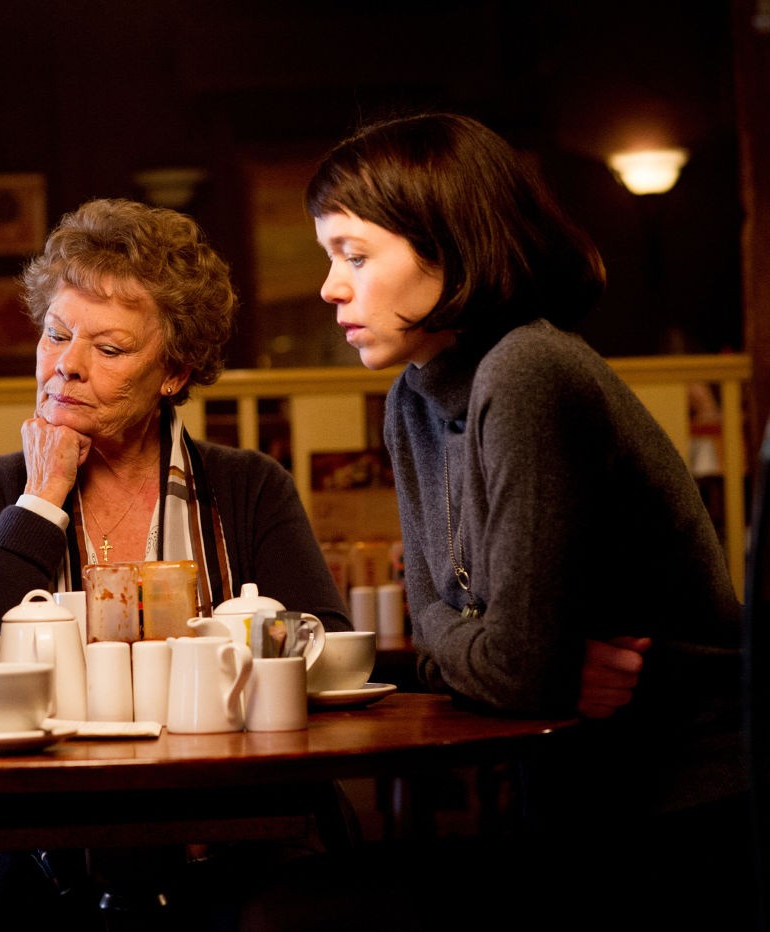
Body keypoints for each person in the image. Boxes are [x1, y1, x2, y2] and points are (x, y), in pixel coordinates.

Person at [304, 112, 752, 925]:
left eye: (356, 255)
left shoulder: (529, 370)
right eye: (331, 257)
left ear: (448, 246)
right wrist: (511, 654)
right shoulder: (413, 398)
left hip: (688, 804)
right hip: (572, 786)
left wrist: (489, 647)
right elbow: (474, 644)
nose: (332, 286)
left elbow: (500, 660)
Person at [0, 198, 351, 930]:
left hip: (223, 819)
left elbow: (323, 652)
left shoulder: (247, 488)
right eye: (55, 335)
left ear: (173, 371)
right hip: (7, 829)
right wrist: (42, 499)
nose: (67, 366)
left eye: (109, 350)